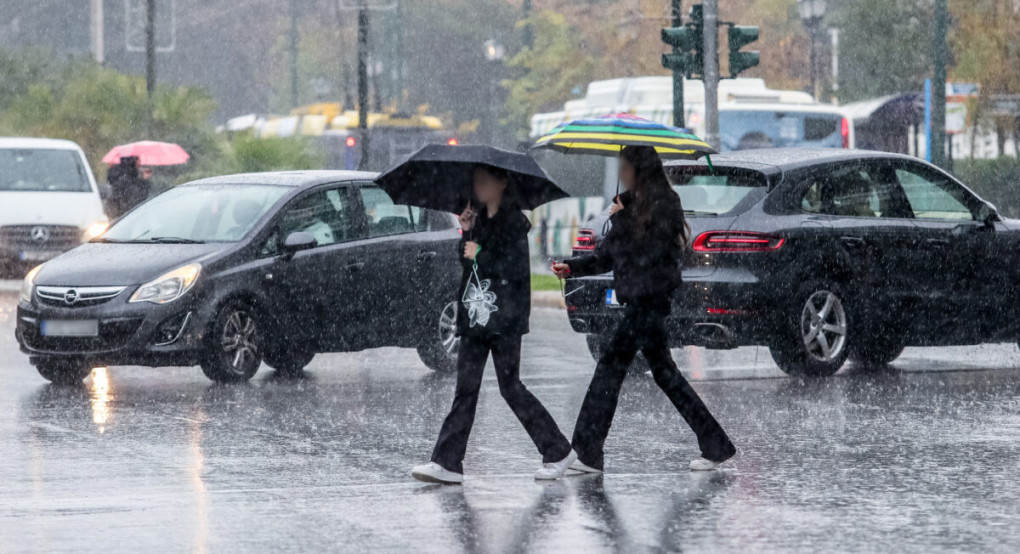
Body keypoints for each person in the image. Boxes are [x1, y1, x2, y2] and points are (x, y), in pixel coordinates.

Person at [552, 145, 736, 473]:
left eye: (625, 167)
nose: (621, 173)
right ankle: (715, 443)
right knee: (664, 374)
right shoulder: (631, 203)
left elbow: (649, 253)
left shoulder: (665, 204)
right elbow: (609, 256)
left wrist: (619, 218)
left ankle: (588, 451)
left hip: (649, 302)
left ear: (640, 168)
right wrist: (573, 267)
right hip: (638, 301)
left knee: (609, 368)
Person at [412, 165, 577, 485]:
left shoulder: (514, 223)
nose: (478, 186)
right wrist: (466, 232)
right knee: (466, 390)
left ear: (503, 183)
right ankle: (447, 462)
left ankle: (557, 450)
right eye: (476, 181)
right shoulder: (478, 219)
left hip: (504, 318)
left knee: (510, 387)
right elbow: (469, 264)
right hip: (476, 316)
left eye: (485, 181)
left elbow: (511, 271)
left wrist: (480, 253)